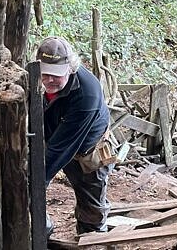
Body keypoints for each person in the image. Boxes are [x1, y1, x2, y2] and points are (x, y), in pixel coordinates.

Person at [37, 36, 112, 237]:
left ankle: (92, 238)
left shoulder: (87, 94)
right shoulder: (35, 80)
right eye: (45, 74)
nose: (50, 80)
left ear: (70, 68)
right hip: (56, 138)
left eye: (56, 75)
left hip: (87, 152)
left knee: (91, 206)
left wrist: (36, 182)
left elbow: (59, 149)